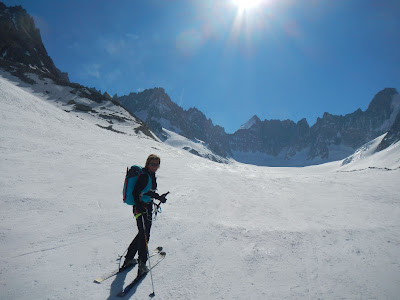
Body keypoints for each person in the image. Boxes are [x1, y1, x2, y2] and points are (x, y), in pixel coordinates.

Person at [122, 154, 168, 276]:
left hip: (145, 207)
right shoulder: (144, 175)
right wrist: (138, 207)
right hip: (141, 208)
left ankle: (129, 259)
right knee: (144, 235)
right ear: (147, 163)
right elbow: (136, 192)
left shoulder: (150, 175)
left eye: (157, 164)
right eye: (153, 164)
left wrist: (159, 197)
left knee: (143, 233)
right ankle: (142, 264)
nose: (155, 167)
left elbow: (148, 192)